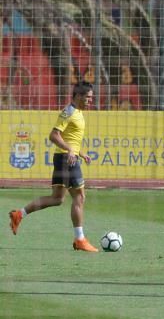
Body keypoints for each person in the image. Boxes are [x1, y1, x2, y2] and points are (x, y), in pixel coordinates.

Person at [9, 80, 99, 252]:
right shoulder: (69, 112)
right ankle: (80, 239)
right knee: (79, 197)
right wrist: (71, 150)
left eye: (91, 98)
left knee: (57, 199)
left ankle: (19, 214)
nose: (90, 101)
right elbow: (53, 135)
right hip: (67, 160)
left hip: (65, 157)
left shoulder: (78, 112)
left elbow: (69, 138)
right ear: (78, 96)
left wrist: (80, 152)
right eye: (88, 98)